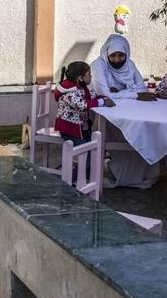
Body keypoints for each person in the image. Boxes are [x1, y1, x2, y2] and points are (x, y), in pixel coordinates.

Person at [90, 34, 160, 188]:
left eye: (121, 55)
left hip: (130, 110)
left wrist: (119, 92)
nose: (116, 60)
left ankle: (138, 172)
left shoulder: (130, 65)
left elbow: (141, 87)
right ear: (106, 54)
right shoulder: (98, 66)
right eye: (113, 55)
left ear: (126, 54)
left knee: (140, 130)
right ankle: (121, 170)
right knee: (122, 133)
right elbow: (104, 94)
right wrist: (132, 93)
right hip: (103, 111)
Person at [55, 61, 114, 146]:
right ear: (80, 78)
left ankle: (94, 158)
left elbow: (92, 97)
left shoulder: (81, 88)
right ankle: (88, 159)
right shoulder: (69, 92)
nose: (91, 76)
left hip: (81, 126)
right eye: (89, 74)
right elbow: (83, 105)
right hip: (69, 129)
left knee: (93, 144)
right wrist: (103, 102)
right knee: (86, 149)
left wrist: (104, 98)